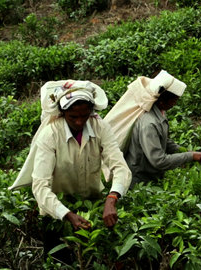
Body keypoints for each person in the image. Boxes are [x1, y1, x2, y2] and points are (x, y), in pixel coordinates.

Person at [9, 81, 132, 263]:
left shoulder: (100, 127)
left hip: (91, 205)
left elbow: (120, 167)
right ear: (62, 113)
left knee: (92, 260)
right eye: (73, 116)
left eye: (84, 115)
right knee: (59, 261)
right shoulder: (50, 134)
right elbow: (40, 185)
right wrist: (66, 214)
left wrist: (112, 198)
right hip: (56, 211)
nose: (79, 122)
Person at [124, 70, 201, 186]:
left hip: (152, 176)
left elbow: (163, 140)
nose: (175, 104)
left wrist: (183, 151)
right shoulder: (149, 124)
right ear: (161, 102)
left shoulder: (159, 113)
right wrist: (189, 156)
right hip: (140, 181)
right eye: (174, 100)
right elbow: (158, 161)